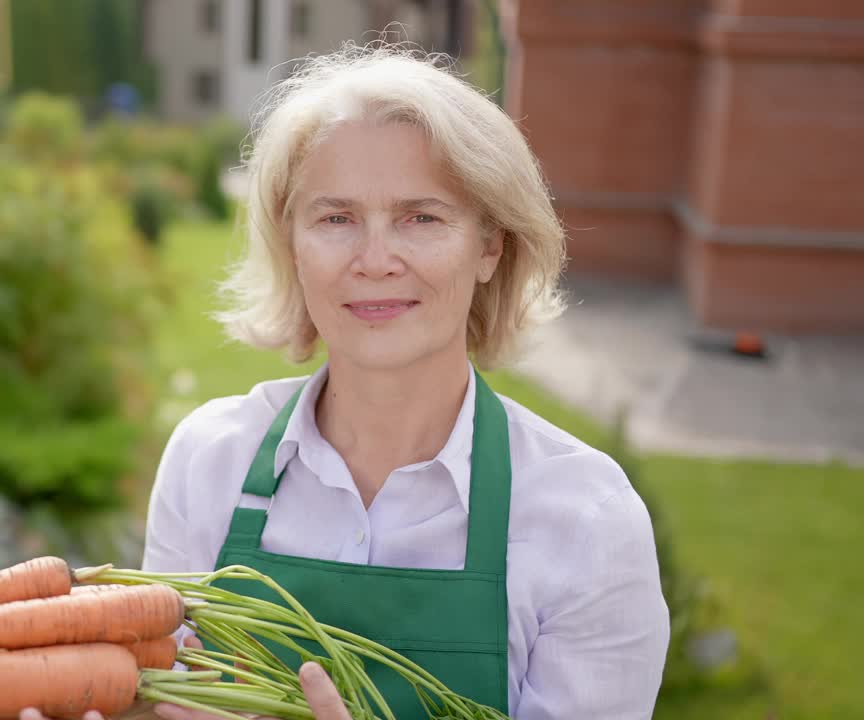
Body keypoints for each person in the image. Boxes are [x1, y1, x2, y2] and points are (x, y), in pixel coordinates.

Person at [138, 43, 670, 719]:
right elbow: (161, 693)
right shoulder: (208, 461)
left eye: (422, 217)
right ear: (291, 244)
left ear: (489, 246)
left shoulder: (586, 520)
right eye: (336, 219)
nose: (376, 259)